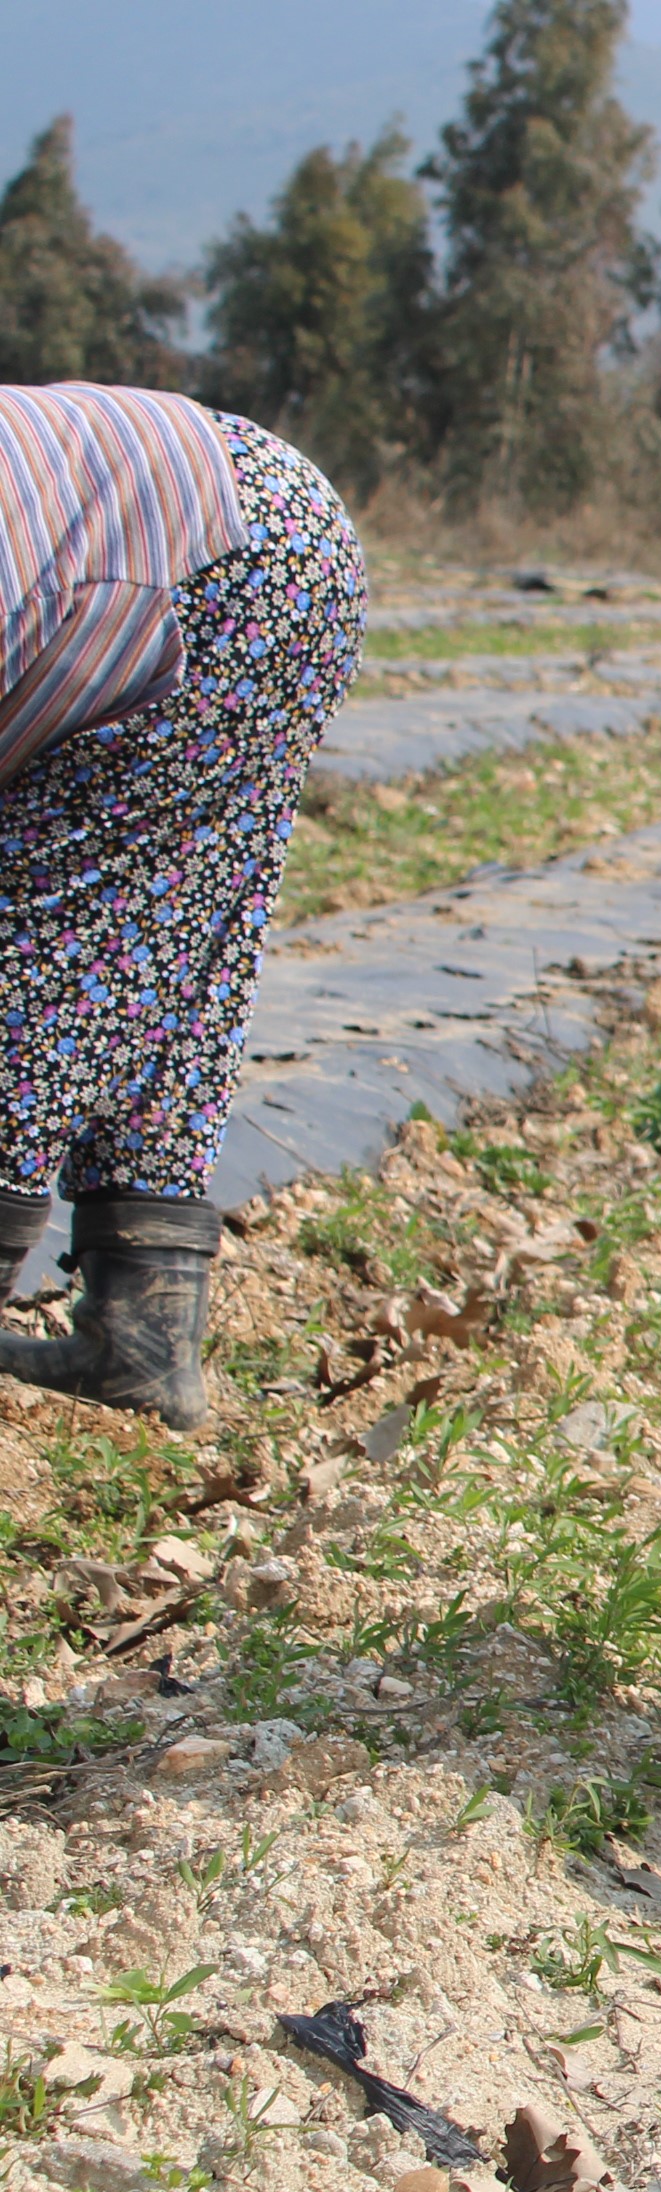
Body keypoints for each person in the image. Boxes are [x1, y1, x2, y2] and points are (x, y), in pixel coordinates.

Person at [0, 384, 363, 1431]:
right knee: (178, 932)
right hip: (282, 526)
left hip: (200, 560)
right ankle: (143, 1338)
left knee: (46, 921)